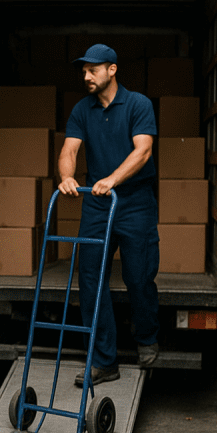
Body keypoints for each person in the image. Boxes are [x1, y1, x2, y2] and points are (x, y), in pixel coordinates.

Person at [58, 43, 160, 386]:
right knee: (91, 279)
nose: (86, 76)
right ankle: (103, 361)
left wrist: (113, 179)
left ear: (112, 70)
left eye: (93, 70)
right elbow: (69, 150)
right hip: (99, 206)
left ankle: (147, 338)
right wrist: (67, 176)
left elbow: (143, 151)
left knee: (139, 276)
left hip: (134, 202)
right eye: (83, 71)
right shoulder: (81, 110)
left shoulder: (137, 104)